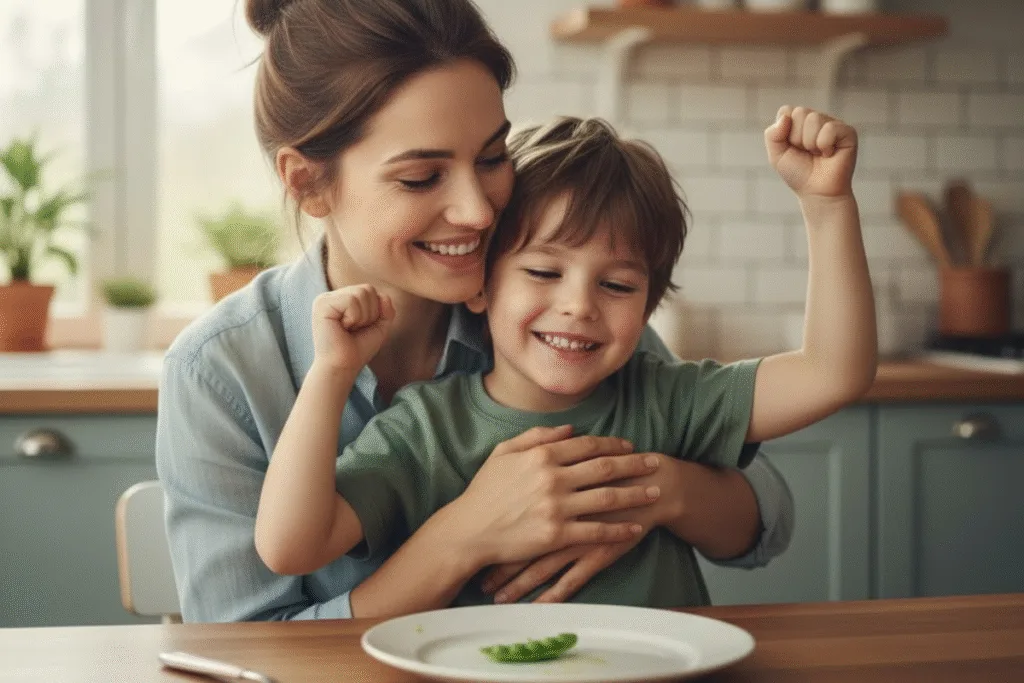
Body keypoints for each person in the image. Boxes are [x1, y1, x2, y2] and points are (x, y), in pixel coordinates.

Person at [156, 0, 796, 623]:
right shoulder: (222, 369)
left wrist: (654, 492)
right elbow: (247, 646)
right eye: (420, 178)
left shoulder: (556, 312)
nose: (479, 211)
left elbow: (766, 515)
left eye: (492, 159)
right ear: (306, 183)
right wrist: (461, 538)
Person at [254, 111, 876, 608]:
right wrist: (331, 372)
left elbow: (832, 372)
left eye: (618, 285)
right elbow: (290, 547)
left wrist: (827, 207)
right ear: (479, 285)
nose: (579, 305)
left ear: (648, 304)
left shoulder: (666, 397)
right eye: (544, 272)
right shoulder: (426, 431)